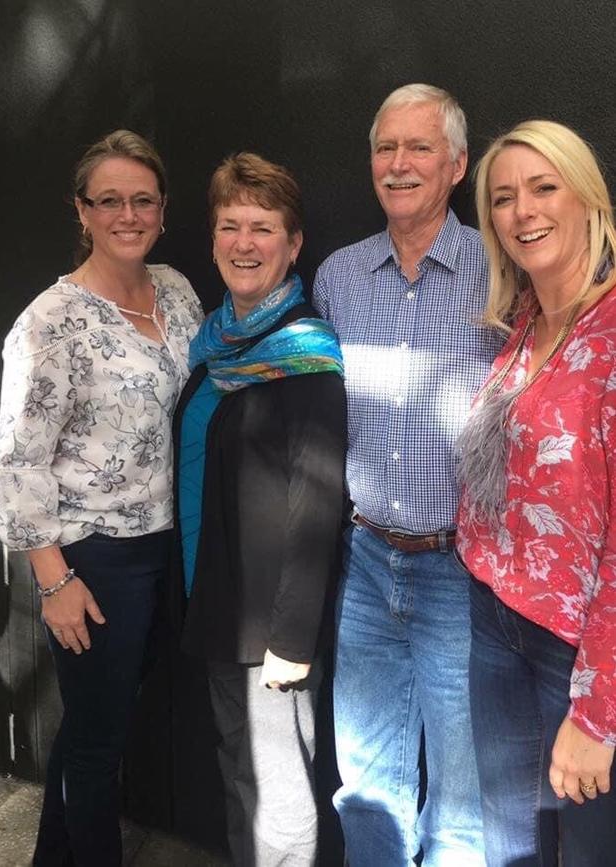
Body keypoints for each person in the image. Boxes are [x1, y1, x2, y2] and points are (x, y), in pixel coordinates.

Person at [0, 129, 203, 866]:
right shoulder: (51, 323)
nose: (127, 214)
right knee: (100, 744)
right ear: (81, 211)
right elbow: (17, 465)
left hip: (163, 549)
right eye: (108, 200)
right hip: (93, 560)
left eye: (142, 199)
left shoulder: (175, 290)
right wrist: (55, 581)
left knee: (90, 730)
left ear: (164, 210)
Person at [313, 83, 502, 866]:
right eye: (385, 148)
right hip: (365, 563)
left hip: (461, 570)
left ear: (456, 164)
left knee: (463, 800)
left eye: (418, 147)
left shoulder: (502, 273)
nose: (398, 165)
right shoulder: (339, 277)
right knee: (366, 790)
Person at [175, 152, 347, 866]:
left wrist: (291, 637)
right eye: (229, 225)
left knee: (277, 793)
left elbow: (317, 503)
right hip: (214, 599)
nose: (244, 243)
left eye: (263, 227)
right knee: (241, 774)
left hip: (268, 626)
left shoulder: (304, 354)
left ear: (294, 242)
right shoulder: (215, 341)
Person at [456, 119, 616, 866]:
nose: (523, 211)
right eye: (504, 198)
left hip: (579, 655)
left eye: (544, 188)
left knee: (586, 851)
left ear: (587, 197)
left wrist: (599, 709)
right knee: (507, 840)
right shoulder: (525, 321)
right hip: (498, 621)